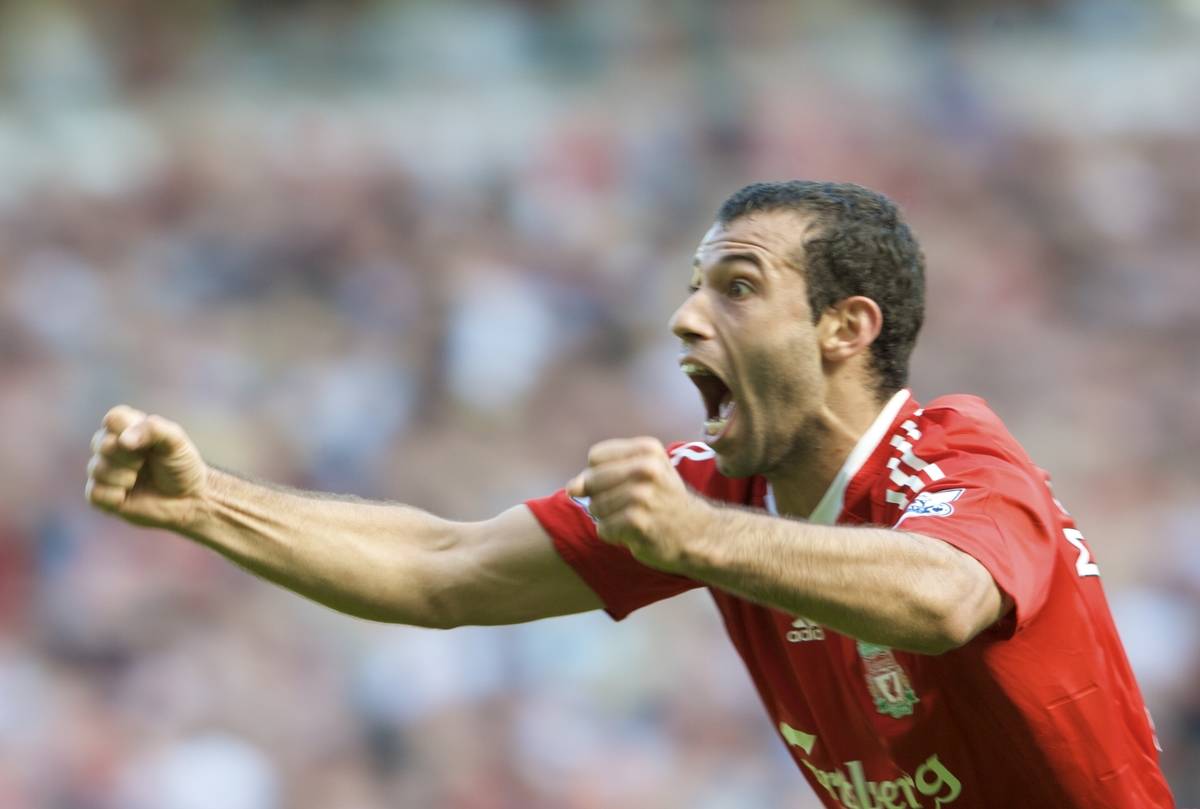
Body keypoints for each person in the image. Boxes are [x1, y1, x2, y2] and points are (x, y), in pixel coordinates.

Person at [85, 181, 1174, 808]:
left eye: (737, 286)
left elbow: (943, 597)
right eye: (694, 286)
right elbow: (438, 570)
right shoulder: (716, 487)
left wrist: (698, 534)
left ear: (846, 328)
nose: (685, 318)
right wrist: (206, 506)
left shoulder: (958, 456)